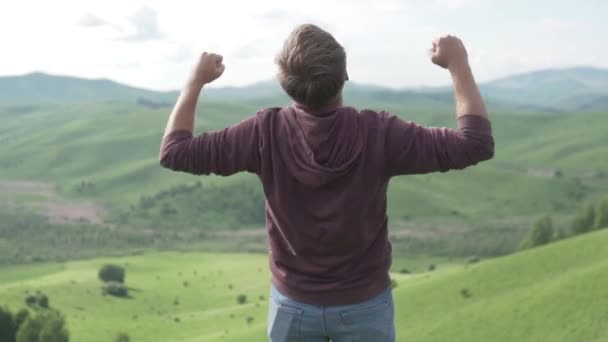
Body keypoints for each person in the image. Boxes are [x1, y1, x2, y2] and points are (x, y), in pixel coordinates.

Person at [159, 24, 494, 342]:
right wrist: (458, 63)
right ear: (344, 75)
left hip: (292, 305)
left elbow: (175, 151)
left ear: (285, 85)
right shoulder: (379, 133)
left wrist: (195, 80)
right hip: (365, 303)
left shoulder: (264, 133)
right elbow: (475, 143)